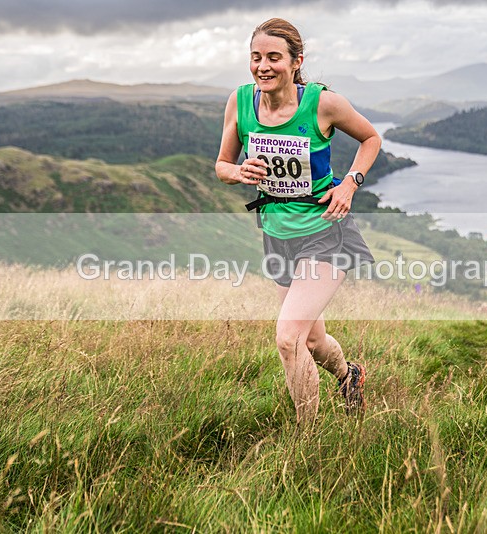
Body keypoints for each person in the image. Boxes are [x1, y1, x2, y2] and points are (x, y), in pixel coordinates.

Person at [215, 18, 380, 425]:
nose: (263, 66)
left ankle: (308, 443)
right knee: (312, 337)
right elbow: (221, 164)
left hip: (325, 231)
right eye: (256, 58)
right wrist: (239, 173)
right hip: (276, 235)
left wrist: (349, 185)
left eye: (274, 57)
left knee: (288, 339)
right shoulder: (240, 102)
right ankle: (349, 376)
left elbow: (371, 138)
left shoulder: (322, 103)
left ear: (295, 62)